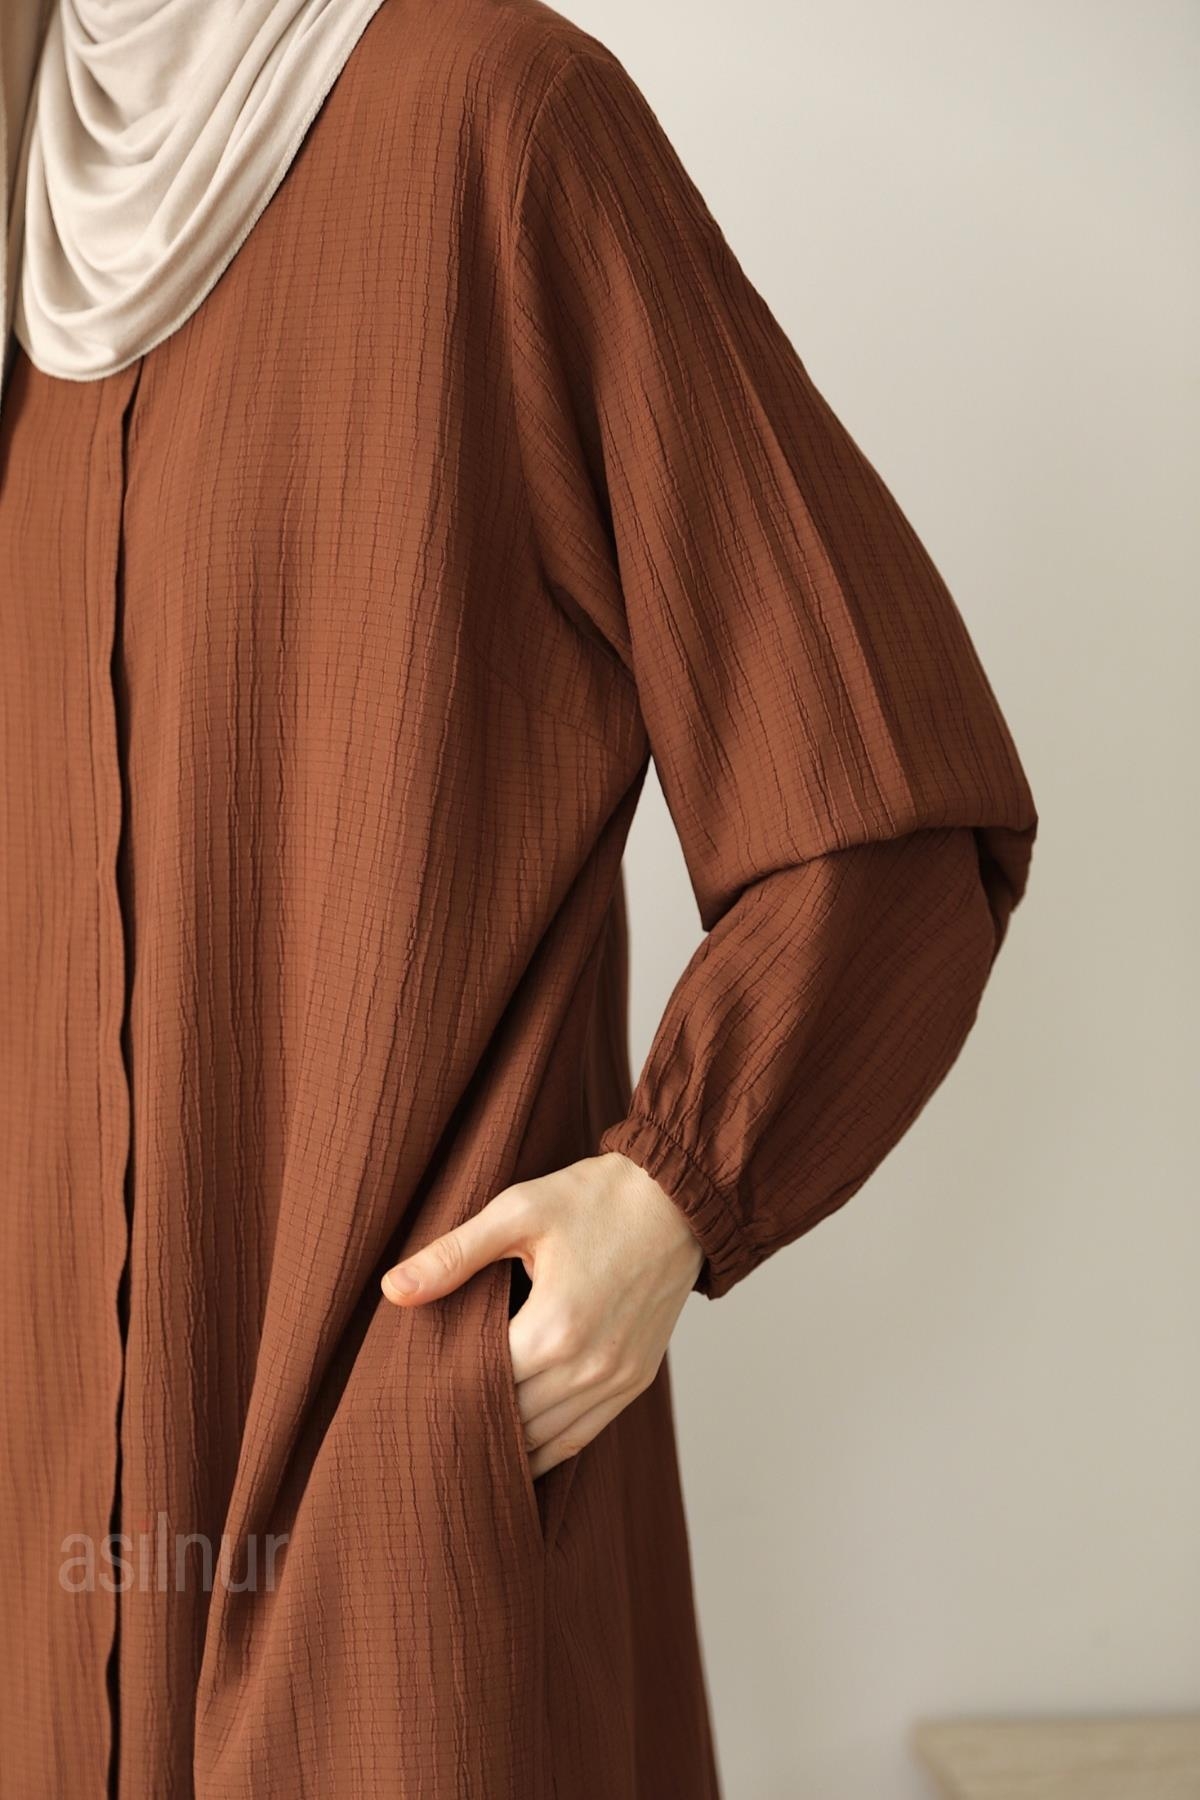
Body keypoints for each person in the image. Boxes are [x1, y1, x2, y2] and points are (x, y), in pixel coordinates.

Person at [0, 0, 1038, 1794]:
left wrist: (674, 1194)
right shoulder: (31, 207)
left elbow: (885, 806)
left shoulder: (502, 125)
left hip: (392, 1549)